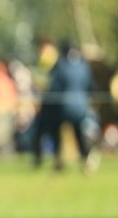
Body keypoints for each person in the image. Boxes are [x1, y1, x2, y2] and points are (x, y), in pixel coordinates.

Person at [35, 41, 96, 171]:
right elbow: (91, 86)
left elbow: (55, 88)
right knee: (79, 133)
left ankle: (58, 159)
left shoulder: (61, 65)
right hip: (81, 108)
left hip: (63, 107)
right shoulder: (84, 66)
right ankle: (86, 161)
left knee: (54, 128)